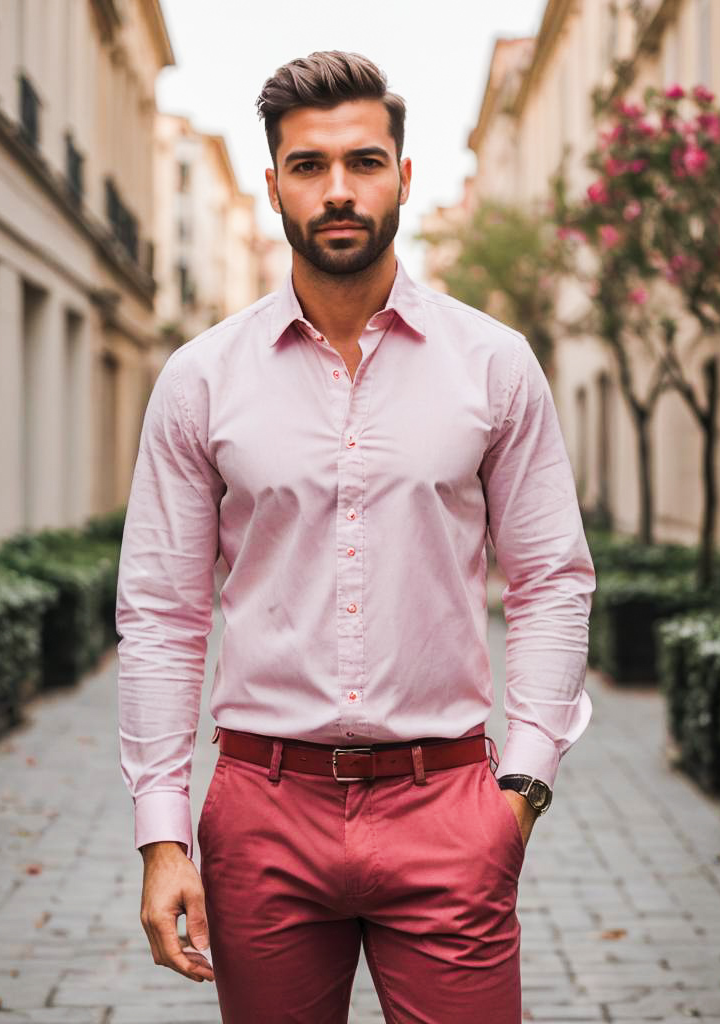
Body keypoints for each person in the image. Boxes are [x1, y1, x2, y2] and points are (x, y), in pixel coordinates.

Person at [116, 50, 595, 1024]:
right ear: (272, 184)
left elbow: (551, 577)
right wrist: (163, 833)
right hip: (263, 809)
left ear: (404, 177)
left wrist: (523, 788)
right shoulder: (201, 379)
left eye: (365, 161)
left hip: (448, 805)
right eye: (309, 164)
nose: (339, 189)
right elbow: (162, 612)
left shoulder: (493, 367)